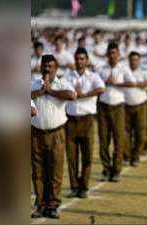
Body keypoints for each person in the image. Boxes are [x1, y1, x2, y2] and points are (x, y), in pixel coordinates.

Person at [31, 55, 76, 218]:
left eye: (50, 66)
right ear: (40, 67)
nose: (47, 69)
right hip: (36, 132)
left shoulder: (62, 83)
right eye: (45, 66)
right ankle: (41, 204)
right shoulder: (34, 83)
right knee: (38, 171)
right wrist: (41, 91)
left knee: (55, 170)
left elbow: (72, 95)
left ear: (56, 68)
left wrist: (51, 91)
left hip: (56, 133)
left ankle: (53, 205)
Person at [64, 47, 105, 198]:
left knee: (87, 155)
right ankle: (74, 186)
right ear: (74, 60)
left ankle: (84, 186)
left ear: (87, 60)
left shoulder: (93, 76)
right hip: (71, 120)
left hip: (87, 119)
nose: (80, 61)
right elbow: (64, 90)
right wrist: (74, 93)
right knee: (72, 156)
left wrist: (85, 94)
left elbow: (101, 88)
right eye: (77, 59)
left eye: (82, 59)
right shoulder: (68, 76)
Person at [97, 42, 135, 181]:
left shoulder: (123, 69)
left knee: (118, 139)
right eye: (110, 53)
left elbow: (132, 83)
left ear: (118, 55)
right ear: (107, 55)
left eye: (114, 53)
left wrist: (117, 84)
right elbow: (96, 85)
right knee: (103, 139)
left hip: (118, 106)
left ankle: (116, 170)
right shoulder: (101, 69)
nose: (112, 56)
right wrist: (104, 82)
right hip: (103, 106)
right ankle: (106, 169)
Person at [124, 51, 147, 166]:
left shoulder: (144, 71)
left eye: (136, 60)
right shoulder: (124, 71)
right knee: (126, 132)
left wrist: (139, 84)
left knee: (140, 131)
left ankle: (136, 155)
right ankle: (127, 155)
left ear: (139, 61)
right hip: (126, 104)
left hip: (141, 104)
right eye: (131, 60)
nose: (134, 62)